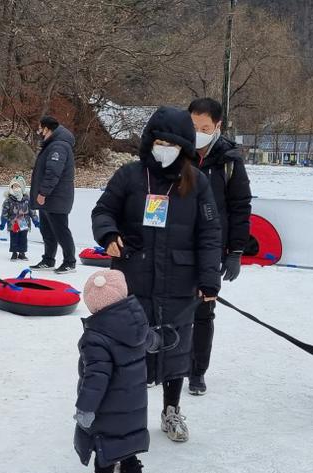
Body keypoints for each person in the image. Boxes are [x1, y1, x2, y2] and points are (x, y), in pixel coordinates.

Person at [92, 106, 222, 443]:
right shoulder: (130, 176)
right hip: (134, 276)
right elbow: (103, 210)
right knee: (131, 347)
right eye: (159, 141)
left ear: (184, 147)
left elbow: (209, 233)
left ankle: (171, 410)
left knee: (176, 348)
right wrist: (109, 235)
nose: (164, 148)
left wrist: (209, 279)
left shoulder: (197, 182)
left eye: (172, 144)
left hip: (180, 280)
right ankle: (127, 412)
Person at [187, 97, 252, 396]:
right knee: (167, 309)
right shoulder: (176, 152)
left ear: (217, 127)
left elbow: (240, 206)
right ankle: (158, 364)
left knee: (203, 310)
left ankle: (197, 371)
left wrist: (236, 250)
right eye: (193, 125)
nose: (197, 131)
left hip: (212, 248)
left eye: (204, 127)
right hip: (177, 243)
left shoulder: (229, 161)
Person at [72, 270, 152, 473]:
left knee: (105, 442)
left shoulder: (96, 338)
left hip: (108, 404)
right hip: (133, 402)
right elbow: (151, 340)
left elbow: (96, 378)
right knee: (124, 435)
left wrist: (85, 408)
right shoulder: (135, 323)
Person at [29, 116, 77, 275]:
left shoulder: (59, 146)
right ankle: (48, 259)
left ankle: (70, 261)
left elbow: (53, 172)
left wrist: (43, 193)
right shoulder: (52, 144)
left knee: (60, 230)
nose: (39, 131)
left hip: (56, 197)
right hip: (49, 198)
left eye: (40, 128)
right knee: (47, 230)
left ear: (47, 128)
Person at [0, 174, 39, 261]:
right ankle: (14, 253)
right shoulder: (8, 200)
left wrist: (36, 221)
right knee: (14, 237)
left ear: (22, 187)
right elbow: (4, 212)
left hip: (24, 221)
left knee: (23, 238)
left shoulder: (27, 199)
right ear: (11, 187)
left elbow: (32, 211)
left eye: (18, 186)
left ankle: (22, 253)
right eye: (14, 186)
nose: (16, 188)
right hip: (13, 222)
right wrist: (3, 222)